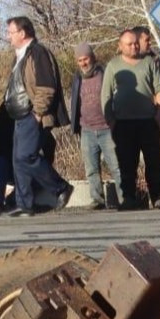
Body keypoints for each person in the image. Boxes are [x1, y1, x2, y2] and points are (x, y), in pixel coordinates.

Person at [4, 16, 72, 217]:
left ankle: (60, 188)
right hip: (20, 116)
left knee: (27, 156)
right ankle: (24, 204)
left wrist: (38, 113)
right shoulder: (20, 56)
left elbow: (46, 87)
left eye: (11, 32)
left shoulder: (38, 53)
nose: (8, 37)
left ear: (22, 33)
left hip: (32, 115)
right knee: (18, 159)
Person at [102, 28, 160, 210]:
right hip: (123, 123)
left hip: (147, 121)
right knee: (126, 162)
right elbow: (106, 96)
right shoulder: (113, 66)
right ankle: (129, 198)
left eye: (135, 43)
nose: (134, 47)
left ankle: (159, 196)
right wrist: (111, 120)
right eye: (129, 44)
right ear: (120, 46)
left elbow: (158, 89)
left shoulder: (148, 62)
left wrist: (159, 114)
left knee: (154, 160)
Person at [69, 43, 123, 210]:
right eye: (80, 60)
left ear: (92, 57)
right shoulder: (77, 79)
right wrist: (75, 126)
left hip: (107, 128)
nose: (83, 63)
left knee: (116, 166)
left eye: (85, 59)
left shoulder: (105, 74)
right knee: (91, 168)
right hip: (87, 129)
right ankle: (97, 199)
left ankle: (125, 198)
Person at [133, 27, 160, 131]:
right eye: (146, 40)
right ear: (136, 41)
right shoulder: (123, 62)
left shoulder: (155, 61)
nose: (150, 43)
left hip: (152, 116)